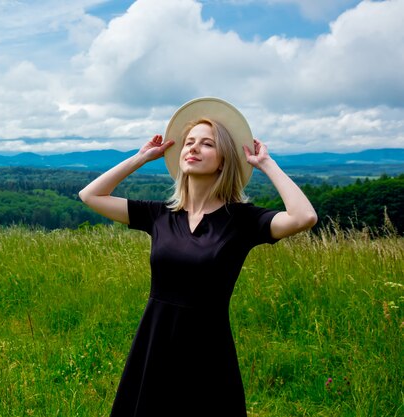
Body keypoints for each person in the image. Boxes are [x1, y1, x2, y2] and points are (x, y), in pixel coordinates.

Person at [78, 97, 318, 416]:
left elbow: (304, 217)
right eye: (189, 143)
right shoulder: (160, 215)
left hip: (208, 347)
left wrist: (265, 164)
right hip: (155, 340)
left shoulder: (243, 220)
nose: (193, 148)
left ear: (223, 160)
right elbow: (90, 195)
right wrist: (141, 157)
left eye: (207, 144)